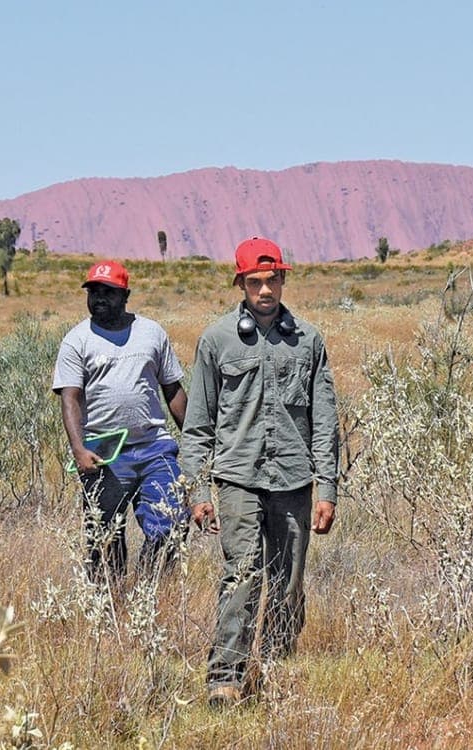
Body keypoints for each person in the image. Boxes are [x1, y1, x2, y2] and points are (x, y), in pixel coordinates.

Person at [180, 237, 340, 706]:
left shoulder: (308, 341)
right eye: (255, 282)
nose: (265, 290)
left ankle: (273, 670)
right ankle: (224, 679)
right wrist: (196, 490)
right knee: (241, 576)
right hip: (237, 479)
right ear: (241, 284)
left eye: (272, 280)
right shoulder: (216, 339)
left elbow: (325, 421)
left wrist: (327, 488)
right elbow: (198, 424)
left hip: (294, 480)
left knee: (288, 580)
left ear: (284, 280)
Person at [51, 260, 188, 585]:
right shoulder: (76, 340)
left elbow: (173, 390)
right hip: (103, 455)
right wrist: (78, 449)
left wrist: (197, 439)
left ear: (125, 295)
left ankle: (151, 593)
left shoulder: (152, 333)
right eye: (94, 291)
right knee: (104, 537)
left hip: (155, 449)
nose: (99, 298)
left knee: (170, 525)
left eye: (108, 292)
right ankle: (108, 606)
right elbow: (69, 398)